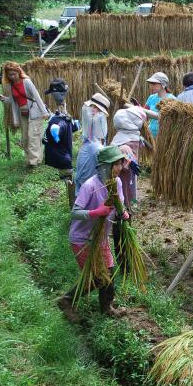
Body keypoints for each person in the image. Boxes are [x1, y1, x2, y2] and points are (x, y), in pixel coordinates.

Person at [57, 146, 129, 321]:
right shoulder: (90, 186)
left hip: (101, 239)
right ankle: (66, 300)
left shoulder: (116, 183)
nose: (119, 167)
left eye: (120, 163)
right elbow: (75, 212)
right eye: (115, 164)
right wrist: (95, 212)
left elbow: (119, 204)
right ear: (105, 166)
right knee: (98, 278)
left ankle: (106, 307)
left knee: (109, 274)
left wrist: (123, 212)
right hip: (83, 240)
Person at [0, 61, 50, 168]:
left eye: (14, 74)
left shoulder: (26, 82)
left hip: (34, 112)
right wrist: (3, 99)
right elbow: (13, 101)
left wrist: (44, 112)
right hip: (23, 114)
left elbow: (37, 97)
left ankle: (33, 163)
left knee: (33, 137)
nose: (13, 76)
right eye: (10, 74)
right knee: (25, 139)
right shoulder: (12, 86)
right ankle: (32, 159)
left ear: (19, 72)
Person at [110, 106, 147, 209]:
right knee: (126, 191)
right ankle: (126, 209)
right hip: (123, 176)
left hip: (126, 174)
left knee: (127, 190)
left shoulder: (127, 139)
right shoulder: (127, 142)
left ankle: (128, 208)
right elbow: (124, 151)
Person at [75, 93, 110, 194]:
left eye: (95, 108)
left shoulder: (97, 117)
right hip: (90, 146)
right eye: (92, 107)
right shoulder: (88, 112)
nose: (92, 110)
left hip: (92, 146)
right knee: (87, 176)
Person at [43, 111, 78, 179]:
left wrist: (47, 141)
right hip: (66, 157)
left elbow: (56, 137)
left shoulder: (55, 123)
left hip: (62, 159)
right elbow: (76, 127)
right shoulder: (67, 118)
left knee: (67, 179)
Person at [144, 72, 175, 138]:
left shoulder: (171, 99)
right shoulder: (151, 97)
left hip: (164, 136)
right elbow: (144, 114)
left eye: (154, 83)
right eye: (151, 84)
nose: (151, 86)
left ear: (163, 84)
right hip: (151, 134)